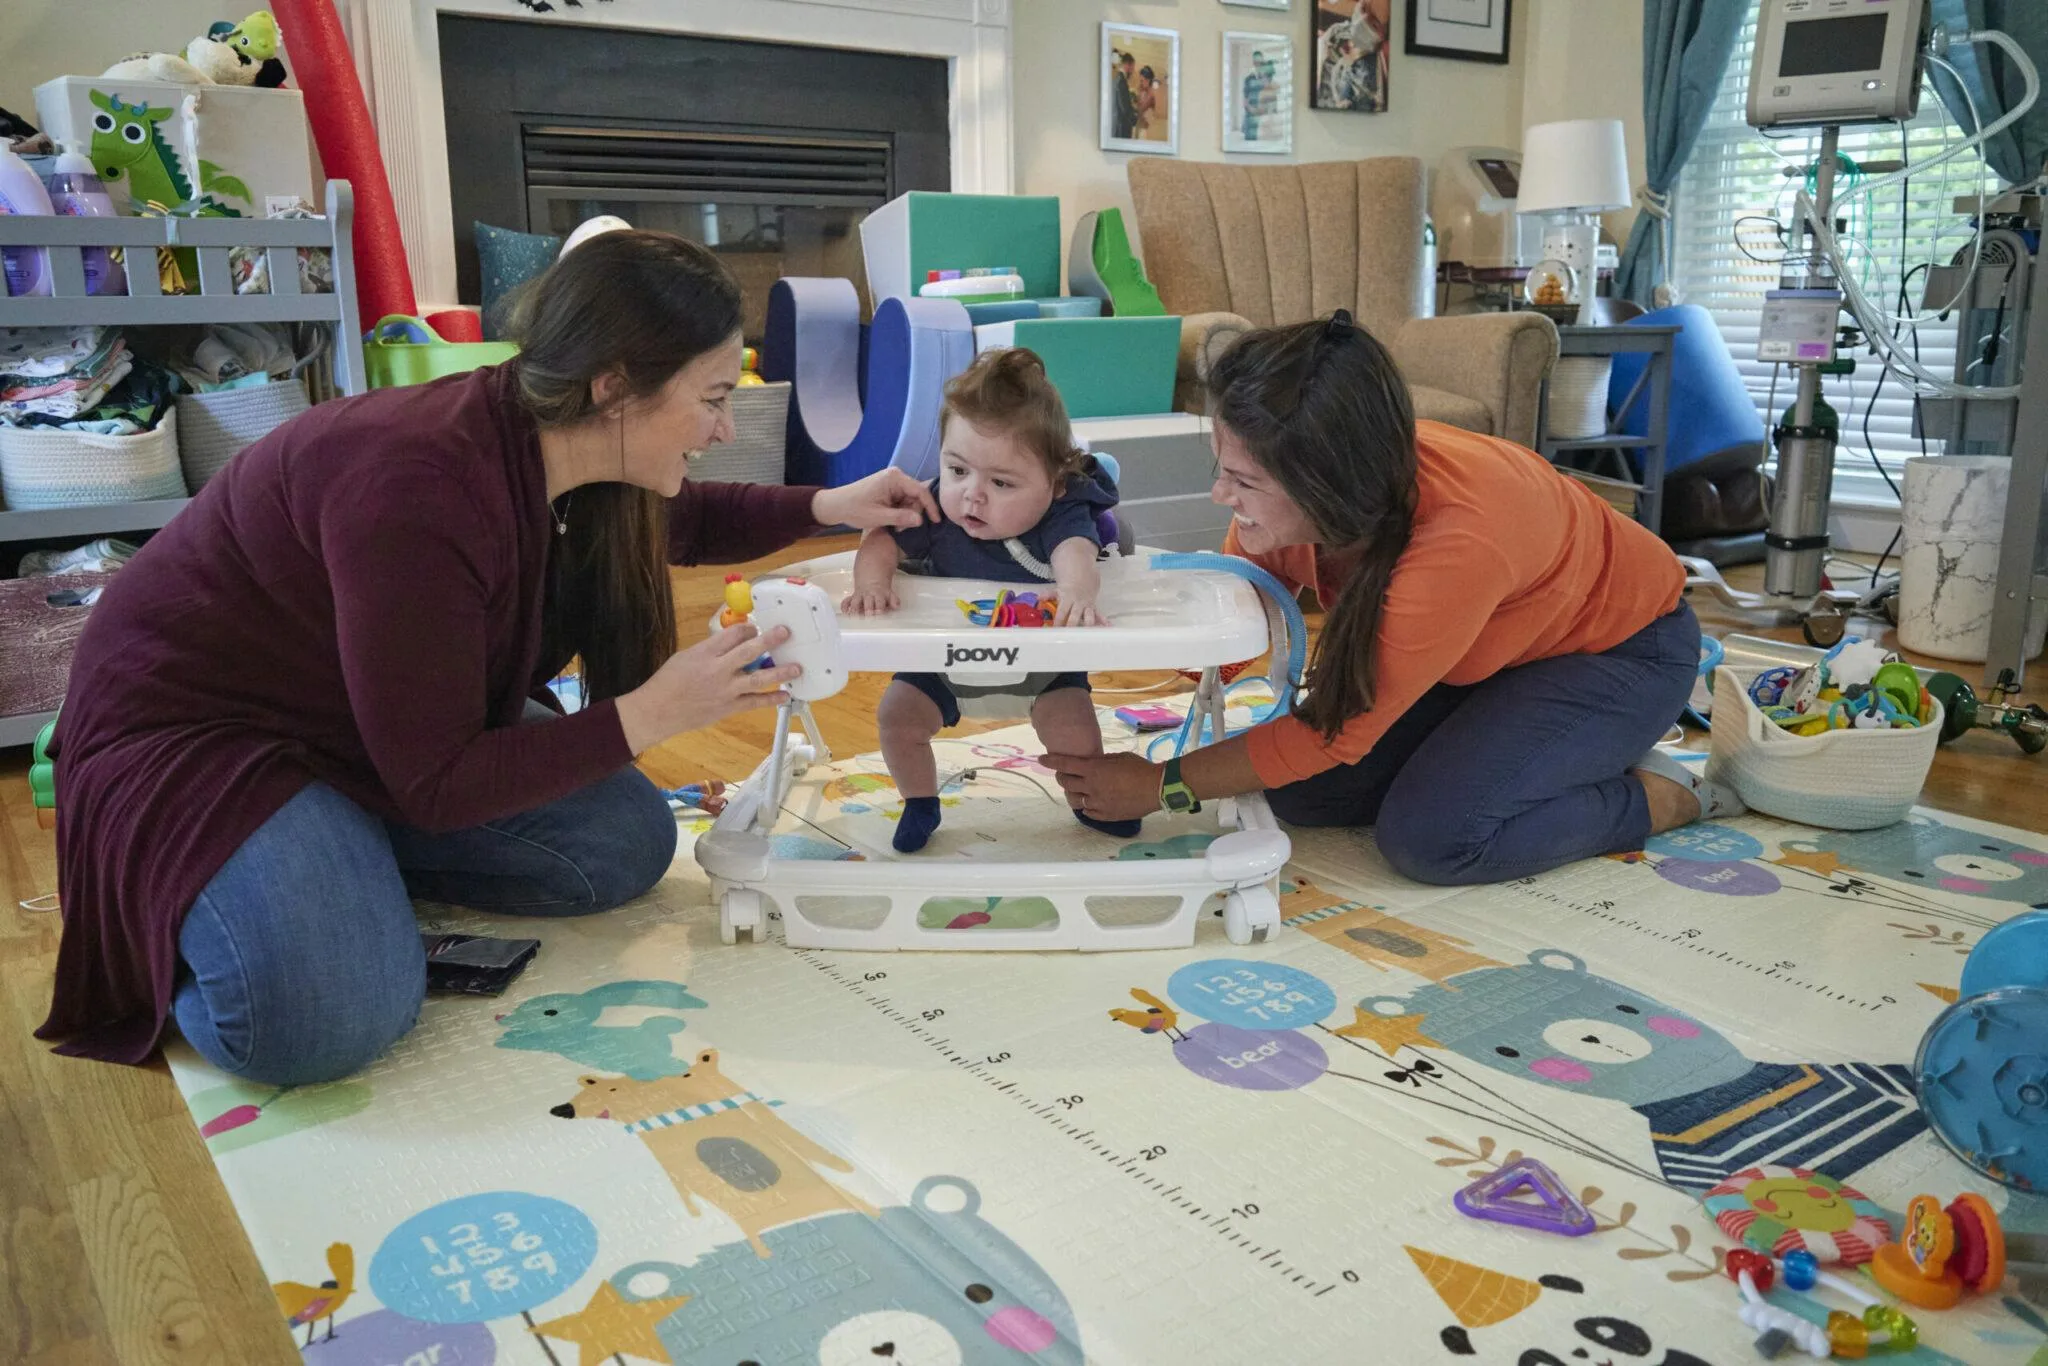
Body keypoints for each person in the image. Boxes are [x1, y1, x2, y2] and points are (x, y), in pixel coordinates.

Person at [36, 229, 941, 1084]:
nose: (718, 428)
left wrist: (832, 505)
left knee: (624, 844)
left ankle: (333, 859)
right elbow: (437, 781)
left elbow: (689, 518)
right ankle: (220, 908)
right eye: (711, 398)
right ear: (615, 387)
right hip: (201, 740)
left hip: (357, 722)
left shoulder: (555, 438)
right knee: (324, 1018)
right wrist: (657, 710)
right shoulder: (416, 483)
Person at [1045, 312, 1740, 885]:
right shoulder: (1314, 496)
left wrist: (1160, 785)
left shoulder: (1458, 546)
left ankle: (1659, 794)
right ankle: (1519, 755)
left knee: (1435, 839)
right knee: (1294, 792)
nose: (1221, 498)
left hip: (1622, 650)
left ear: (1325, 488)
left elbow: (1334, 731)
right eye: (1223, 472)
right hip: (1487, 653)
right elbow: (1236, 627)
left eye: (1243, 483)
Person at [839, 348, 1133, 854]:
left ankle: (1090, 800)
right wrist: (872, 583)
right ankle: (920, 802)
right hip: (942, 664)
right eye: (957, 471)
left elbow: (1075, 553)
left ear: (1055, 482)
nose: (971, 496)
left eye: (1000, 483)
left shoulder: (1060, 516)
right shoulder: (935, 512)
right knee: (897, 717)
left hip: (1045, 670)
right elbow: (880, 540)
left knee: (1075, 730)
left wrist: (1077, 594)